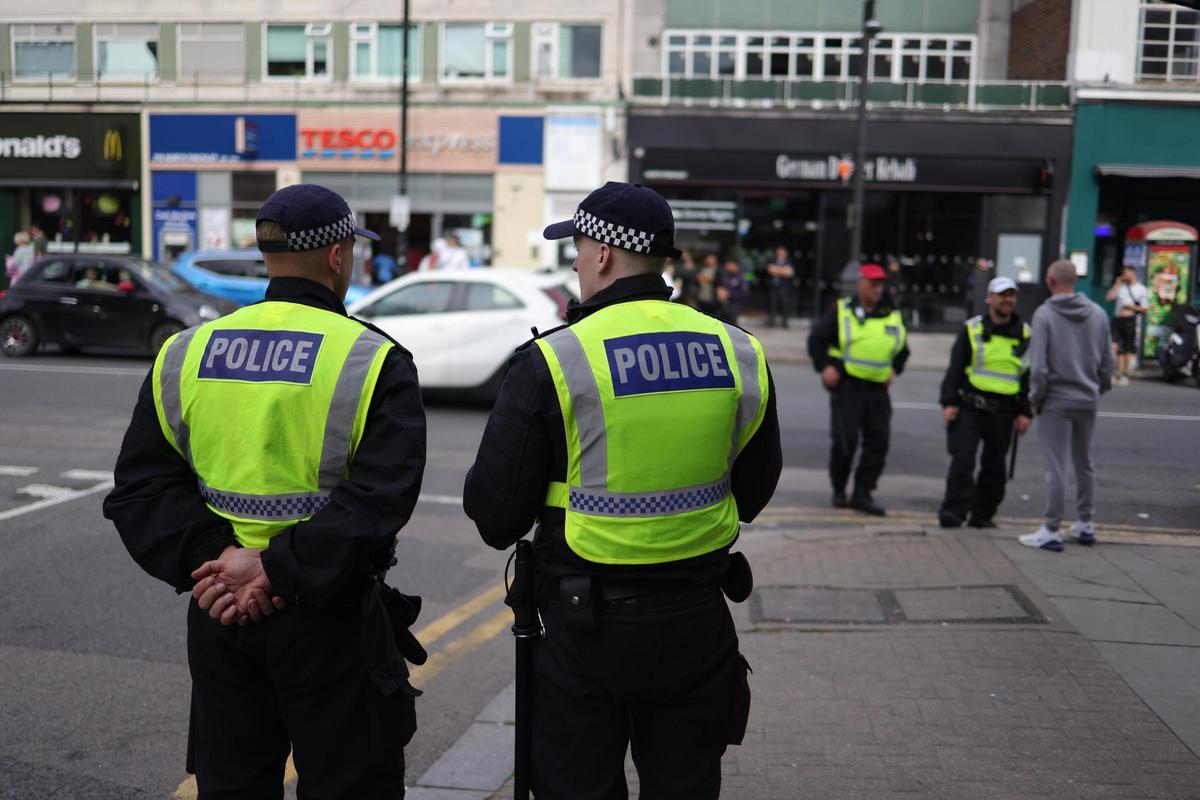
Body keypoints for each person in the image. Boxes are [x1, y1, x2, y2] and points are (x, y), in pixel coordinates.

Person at [103, 184, 427, 798]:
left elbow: (141, 488)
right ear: (337, 255)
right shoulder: (371, 359)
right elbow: (380, 499)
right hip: (329, 619)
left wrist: (222, 566)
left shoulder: (186, 352)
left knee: (232, 786)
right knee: (349, 783)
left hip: (221, 613)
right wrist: (275, 571)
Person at [463, 181, 781, 799]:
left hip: (589, 632)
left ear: (603, 253)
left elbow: (494, 515)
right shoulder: (738, 350)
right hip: (698, 619)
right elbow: (755, 489)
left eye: (578, 247)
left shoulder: (558, 359)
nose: (576, 261)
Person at [1020, 259, 1114, 552]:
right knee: (1084, 462)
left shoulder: (1044, 315)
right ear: (1075, 280)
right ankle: (1085, 524)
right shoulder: (1098, 314)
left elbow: (1038, 368)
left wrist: (1036, 399)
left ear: (1050, 281)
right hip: (1087, 399)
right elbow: (1108, 364)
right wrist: (1097, 388)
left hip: (1056, 401)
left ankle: (1051, 528)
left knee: (1056, 467)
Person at [807, 263, 910, 516]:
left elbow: (902, 350)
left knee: (879, 443)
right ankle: (839, 489)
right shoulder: (842, 311)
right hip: (848, 389)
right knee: (846, 442)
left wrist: (894, 369)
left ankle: (862, 493)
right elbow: (816, 340)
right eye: (873, 283)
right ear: (860, 284)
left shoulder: (892, 314)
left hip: (877, 392)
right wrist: (826, 367)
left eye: (881, 284)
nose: (878, 288)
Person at [937, 277, 1033, 529]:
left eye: (1011, 295)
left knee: (995, 469)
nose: (1008, 300)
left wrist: (1025, 412)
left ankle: (982, 515)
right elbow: (955, 369)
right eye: (1002, 295)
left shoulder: (1024, 334)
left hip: (1004, 411)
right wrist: (949, 403)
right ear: (989, 297)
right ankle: (953, 512)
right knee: (963, 462)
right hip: (971, 406)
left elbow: (1026, 377)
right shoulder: (973, 329)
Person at [1105, 266, 1148, 387]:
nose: (1124, 275)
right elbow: (1108, 298)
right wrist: (1116, 284)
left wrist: (1130, 307)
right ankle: (1115, 372)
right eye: (1123, 273)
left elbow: (1145, 310)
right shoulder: (1121, 287)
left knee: (1127, 348)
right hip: (1118, 319)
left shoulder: (1141, 289)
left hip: (1130, 320)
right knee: (1114, 346)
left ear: (1133, 273)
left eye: (1126, 273)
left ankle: (1124, 374)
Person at [766, 245, 795, 328]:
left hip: (784, 286)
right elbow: (770, 270)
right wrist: (783, 270)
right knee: (772, 303)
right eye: (779, 251)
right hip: (773, 286)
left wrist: (776, 270)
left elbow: (789, 272)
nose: (780, 253)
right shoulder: (772, 260)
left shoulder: (789, 261)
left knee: (785, 303)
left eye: (782, 251)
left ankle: (784, 322)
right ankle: (771, 322)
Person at [718, 256, 750, 324]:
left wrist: (729, 294)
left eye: (729, 265)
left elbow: (744, 293)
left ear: (735, 265)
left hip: (734, 307)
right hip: (723, 306)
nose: (727, 266)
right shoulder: (726, 276)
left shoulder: (741, 277)